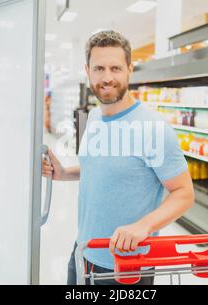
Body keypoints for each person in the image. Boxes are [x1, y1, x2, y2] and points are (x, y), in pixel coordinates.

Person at [42, 30, 195, 285]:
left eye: (115, 68)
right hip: (83, 251)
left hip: (127, 266)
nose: (107, 77)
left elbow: (184, 193)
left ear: (129, 70)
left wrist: (143, 226)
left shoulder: (153, 128)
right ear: (88, 70)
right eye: (99, 68)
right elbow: (102, 166)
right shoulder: (91, 118)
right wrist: (65, 173)